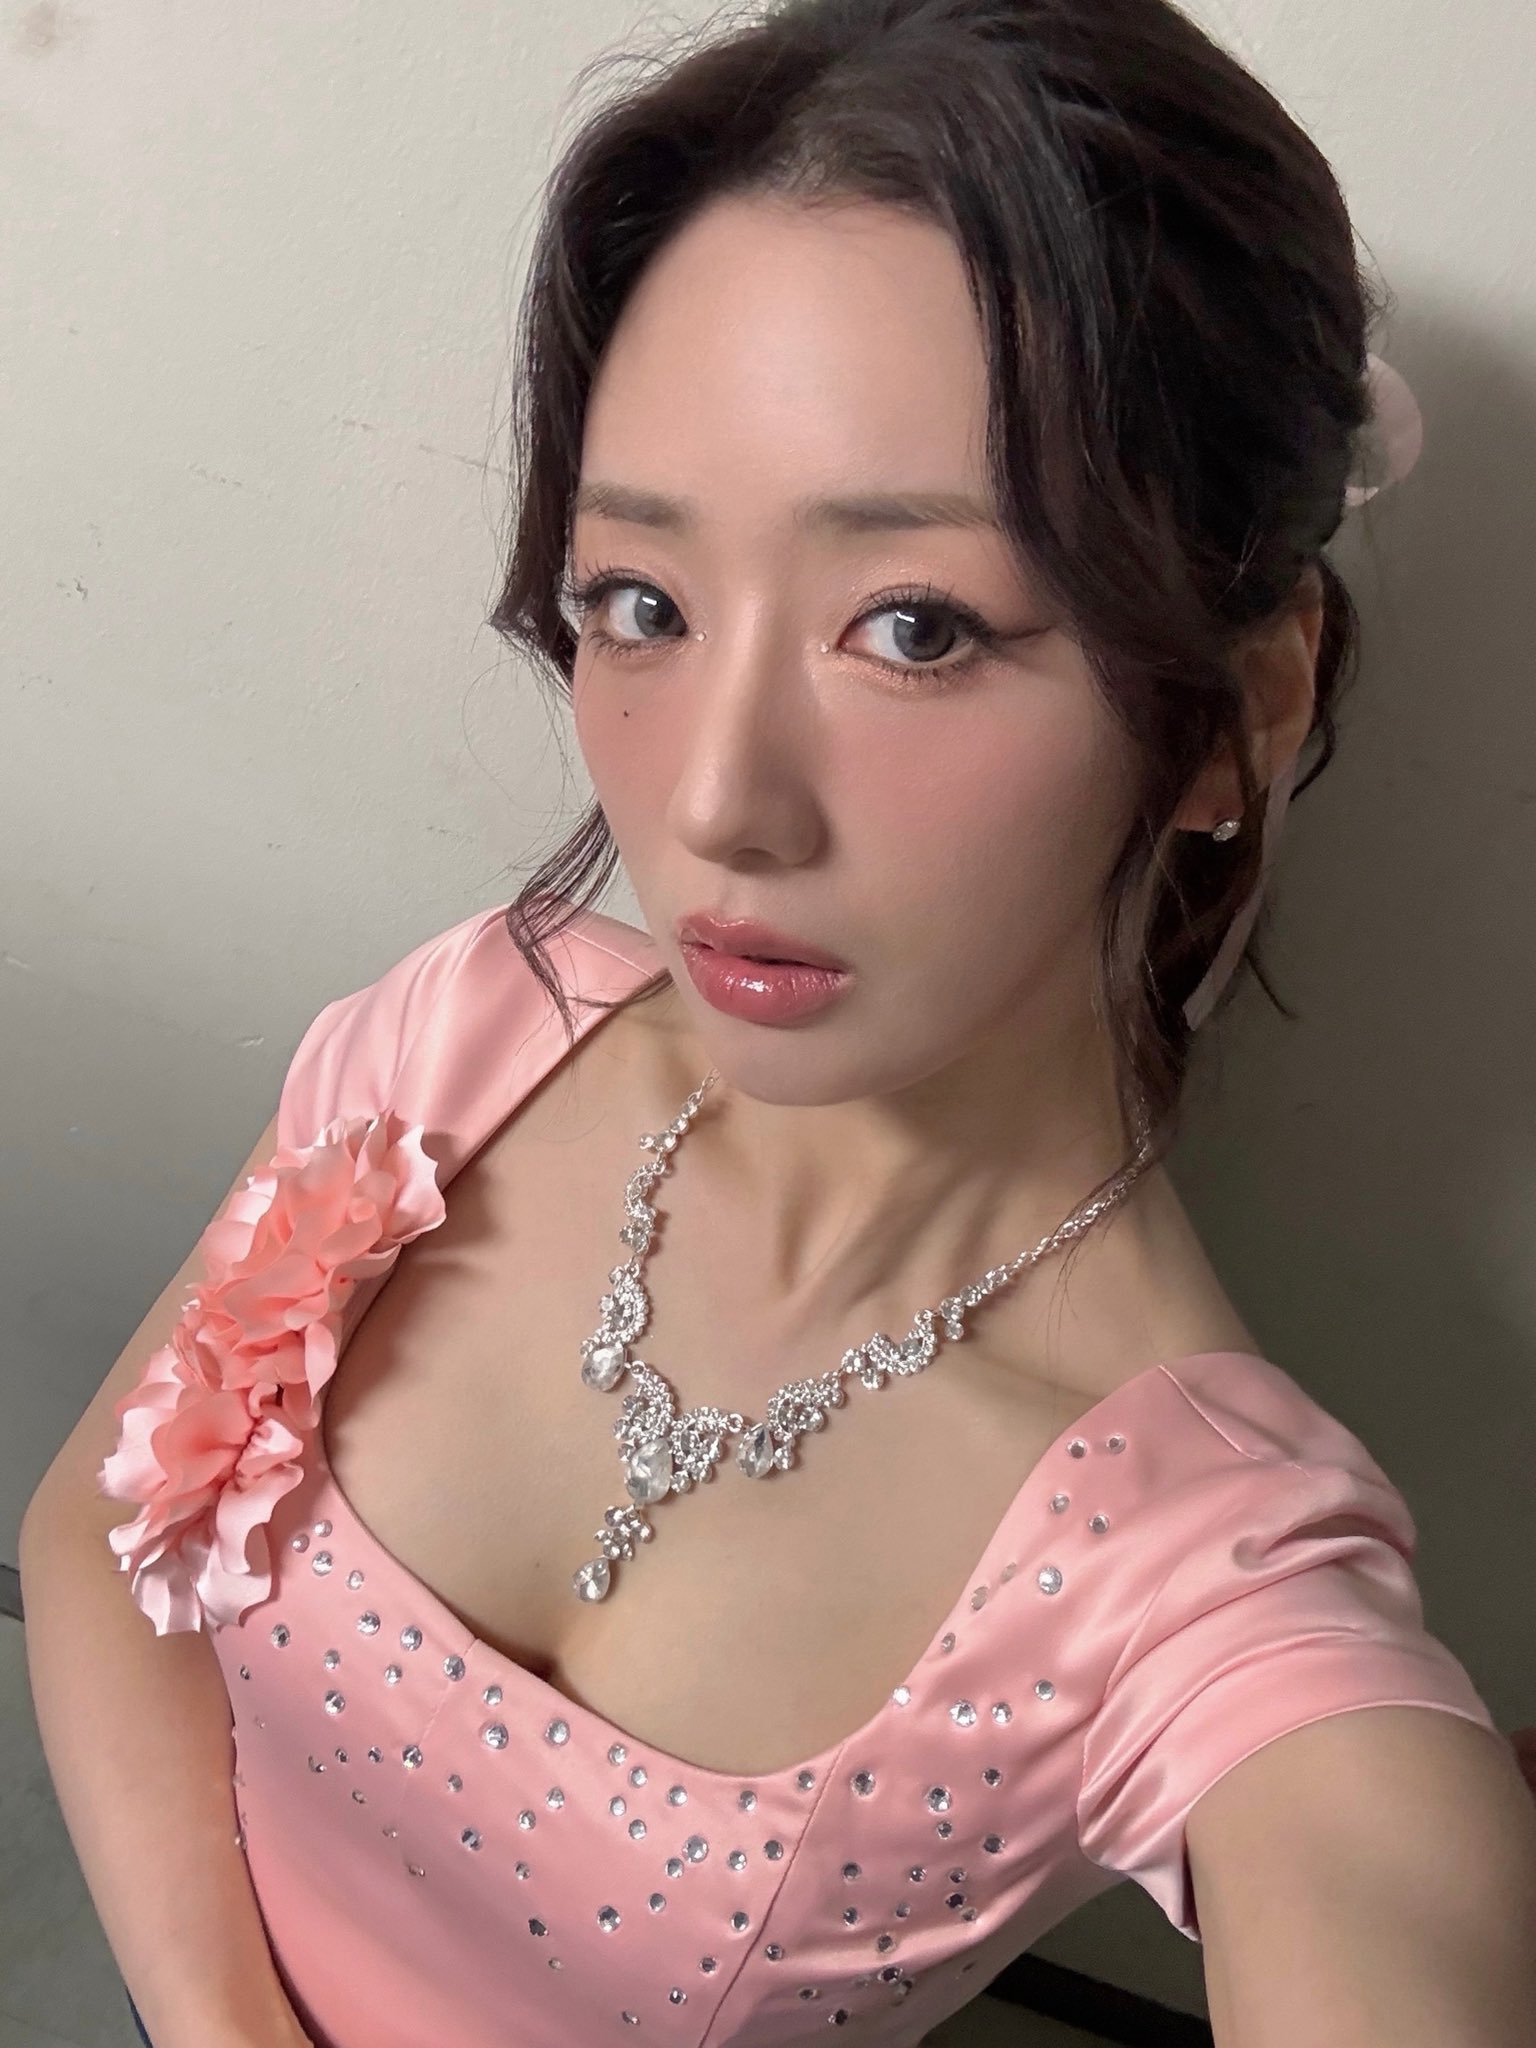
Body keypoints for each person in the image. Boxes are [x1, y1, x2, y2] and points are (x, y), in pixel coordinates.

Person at [21, 3, 1536, 2046]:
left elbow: (1372, 1849)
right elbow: (99, 1535)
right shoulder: (471, 1042)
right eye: (641, 602)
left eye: (913, 625)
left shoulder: (1196, 1565)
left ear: (1239, 714)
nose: (719, 804)